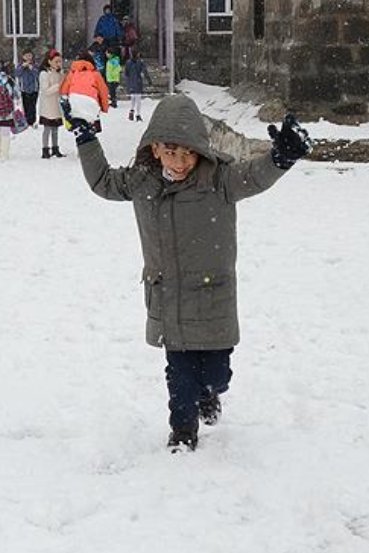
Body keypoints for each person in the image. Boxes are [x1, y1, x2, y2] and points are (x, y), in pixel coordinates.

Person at [70, 95, 312, 451]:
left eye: (188, 153)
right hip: (168, 298)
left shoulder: (220, 180)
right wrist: (86, 138)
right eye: (170, 152)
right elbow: (103, 182)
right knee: (179, 377)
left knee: (216, 374)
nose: (180, 161)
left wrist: (281, 158)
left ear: (200, 149)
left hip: (212, 297)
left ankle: (209, 394)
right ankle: (182, 431)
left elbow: (254, 177)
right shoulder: (142, 182)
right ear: (154, 149)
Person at [60, 51, 111, 134]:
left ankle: (80, 132)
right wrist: (104, 108)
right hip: (91, 102)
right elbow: (103, 92)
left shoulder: (72, 73)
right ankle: (90, 136)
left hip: (75, 101)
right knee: (90, 127)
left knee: (79, 128)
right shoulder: (95, 74)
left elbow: (64, 91)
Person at [37, 51, 66, 159]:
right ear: (49, 61)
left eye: (60, 61)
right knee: (47, 128)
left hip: (56, 104)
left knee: (55, 128)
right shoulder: (44, 73)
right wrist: (58, 86)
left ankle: (55, 148)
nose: (59, 64)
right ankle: (45, 149)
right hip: (47, 106)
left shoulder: (59, 73)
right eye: (56, 61)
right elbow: (45, 90)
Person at [14, 50, 41, 128]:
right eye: (26, 56)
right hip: (24, 89)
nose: (28, 57)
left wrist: (31, 68)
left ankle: (32, 121)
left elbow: (38, 75)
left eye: (29, 55)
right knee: (25, 105)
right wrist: (23, 67)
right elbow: (16, 74)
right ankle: (26, 120)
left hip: (34, 89)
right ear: (23, 57)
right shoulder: (20, 65)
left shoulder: (35, 65)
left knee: (32, 106)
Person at [123, 54, 151, 122]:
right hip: (138, 82)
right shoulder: (140, 62)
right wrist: (149, 80)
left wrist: (127, 82)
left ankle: (132, 110)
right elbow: (145, 71)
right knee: (138, 99)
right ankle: (138, 114)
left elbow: (126, 73)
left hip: (131, 82)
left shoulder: (128, 62)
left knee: (133, 97)